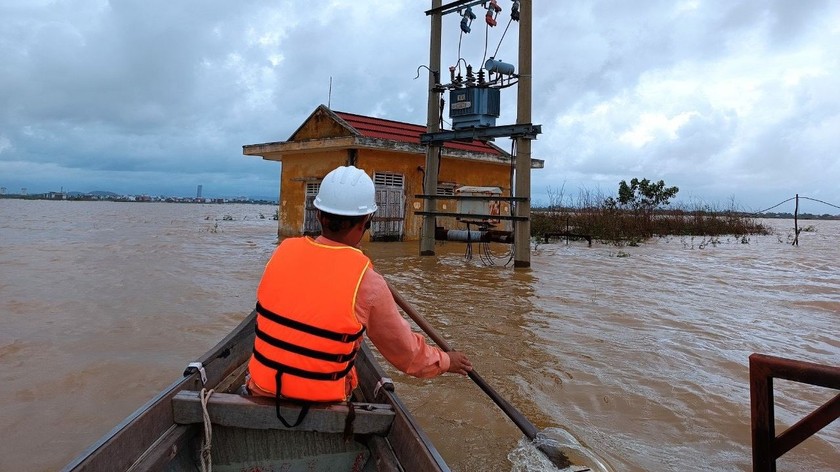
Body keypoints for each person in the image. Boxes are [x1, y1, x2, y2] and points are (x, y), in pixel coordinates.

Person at [245, 165, 472, 421]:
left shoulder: (282, 252)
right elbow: (408, 356)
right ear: (367, 222)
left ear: (318, 215)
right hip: (324, 405)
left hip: (261, 389)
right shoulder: (369, 283)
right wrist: (446, 361)